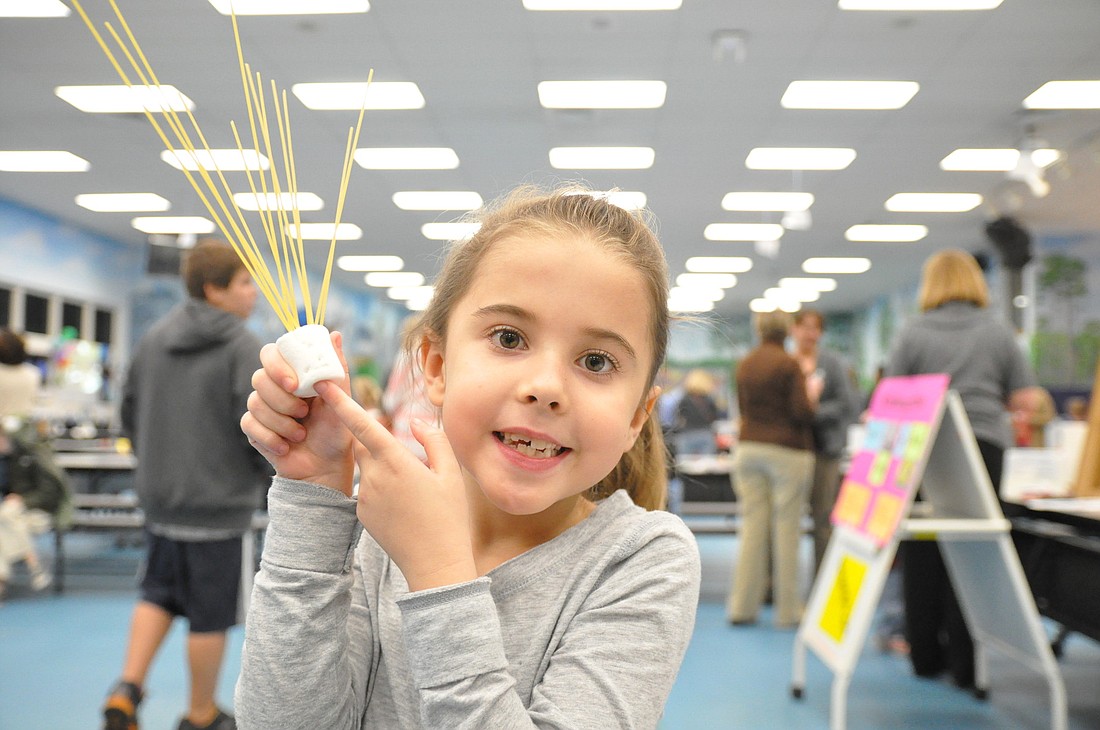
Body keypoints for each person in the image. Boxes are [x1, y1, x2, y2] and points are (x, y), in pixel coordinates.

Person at [236, 186, 702, 728]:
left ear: (637, 417)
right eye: (508, 337)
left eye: (596, 361)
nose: (546, 387)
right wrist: (313, 494)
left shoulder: (644, 558)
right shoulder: (381, 525)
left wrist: (439, 575)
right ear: (435, 366)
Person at [102, 239, 272, 730]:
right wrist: (262, 475)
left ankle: (126, 689)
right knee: (209, 614)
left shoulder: (154, 336)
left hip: (160, 501)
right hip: (217, 509)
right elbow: (255, 426)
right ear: (214, 289)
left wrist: (154, 465)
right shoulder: (243, 345)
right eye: (244, 282)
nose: (253, 292)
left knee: (157, 592)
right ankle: (200, 714)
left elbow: (128, 411)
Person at [885, 248, 1041, 693]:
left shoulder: (912, 332)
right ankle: (969, 666)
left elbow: (892, 396)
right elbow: (1026, 399)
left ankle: (924, 655)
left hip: (924, 449)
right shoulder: (997, 332)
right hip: (984, 446)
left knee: (922, 550)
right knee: (974, 554)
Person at [726, 309, 818, 628]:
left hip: (748, 449)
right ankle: (788, 610)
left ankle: (742, 607)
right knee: (786, 530)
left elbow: (742, 407)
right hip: (787, 452)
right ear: (787, 331)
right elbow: (802, 412)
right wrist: (812, 396)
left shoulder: (745, 364)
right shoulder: (789, 364)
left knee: (752, 529)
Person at [790, 309, 858, 578]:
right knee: (787, 523)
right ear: (793, 330)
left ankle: (823, 581)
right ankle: (781, 588)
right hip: (793, 450)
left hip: (825, 451)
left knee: (823, 519)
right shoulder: (787, 362)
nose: (810, 334)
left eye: (815, 328)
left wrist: (812, 412)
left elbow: (847, 403)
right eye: (804, 327)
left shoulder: (833, 364)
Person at [673, 368, 721, 456]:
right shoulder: (709, 400)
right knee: (707, 464)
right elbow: (715, 417)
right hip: (705, 434)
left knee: (685, 465)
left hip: (687, 434)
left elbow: (679, 417)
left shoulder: (684, 399)